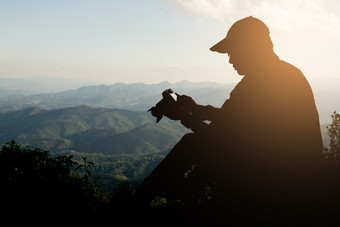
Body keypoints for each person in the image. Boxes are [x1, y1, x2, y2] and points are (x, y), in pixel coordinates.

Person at [135, 16, 331, 224]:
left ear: (251, 48)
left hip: (280, 187)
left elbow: (219, 136)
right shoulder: (285, 74)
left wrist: (183, 116)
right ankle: (188, 200)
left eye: (233, 51)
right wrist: (196, 108)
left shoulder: (258, 82)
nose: (230, 59)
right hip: (298, 180)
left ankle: (140, 202)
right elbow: (236, 120)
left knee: (193, 144)